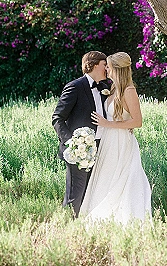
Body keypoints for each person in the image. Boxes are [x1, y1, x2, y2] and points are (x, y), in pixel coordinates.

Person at [80, 52, 152, 224]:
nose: (107, 70)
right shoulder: (113, 89)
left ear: (117, 70)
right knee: (106, 178)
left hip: (121, 142)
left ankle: (120, 217)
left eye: (109, 67)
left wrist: (107, 124)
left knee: (121, 179)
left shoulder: (129, 91)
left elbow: (137, 122)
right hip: (109, 141)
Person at [52, 51, 111, 217]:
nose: (107, 68)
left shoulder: (105, 87)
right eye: (103, 64)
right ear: (92, 65)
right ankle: (67, 229)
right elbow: (57, 118)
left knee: (93, 191)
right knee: (75, 193)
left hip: (102, 146)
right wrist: (72, 143)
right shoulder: (75, 87)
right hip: (80, 149)